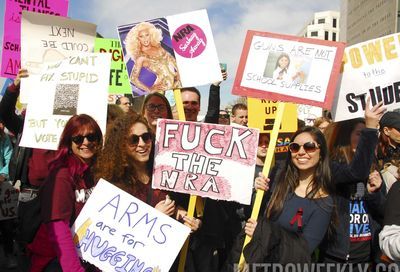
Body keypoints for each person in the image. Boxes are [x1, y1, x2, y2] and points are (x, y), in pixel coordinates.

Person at [238, 99, 385, 266]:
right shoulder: (279, 176)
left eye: (309, 147)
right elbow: (254, 215)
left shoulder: (323, 199)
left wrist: (371, 126)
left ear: (321, 152)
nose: (301, 152)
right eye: (295, 147)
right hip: (254, 260)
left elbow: (303, 249)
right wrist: (258, 192)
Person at [28, 114, 103, 271]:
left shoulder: (97, 172)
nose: (86, 142)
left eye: (91, 136)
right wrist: (74, 269)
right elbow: (58, 227)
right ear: (69, 142)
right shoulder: (62, 174)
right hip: (57, 259)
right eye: (78, 139)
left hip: (88, 254)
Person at [321, 117, 386, 270]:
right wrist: (370, 128)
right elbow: (355, 172)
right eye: (359, 133)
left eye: (367, 134)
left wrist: (374, 193)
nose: (365, 138)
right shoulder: (331, 167)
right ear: (346, 136)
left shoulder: (373, 169)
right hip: (336, 258)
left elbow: (383, 212)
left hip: (366, 258)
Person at [125, 21, 181, 93]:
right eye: (141, 36)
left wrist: (178, 73)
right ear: (137, 39)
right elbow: (133, 79)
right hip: (163, 89)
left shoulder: (158, 46)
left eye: (147, 35)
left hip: (177, 83)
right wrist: (150, 90)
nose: (145, 39)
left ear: (151, 35)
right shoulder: (141, 58)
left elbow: (171, 58)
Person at [0, 119, 17, 269]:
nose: (1, 126)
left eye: (3, 122)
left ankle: (9, 253)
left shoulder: (4, 139)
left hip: (2, 186)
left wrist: (3, 175)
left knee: (7, 224)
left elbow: (10, 159)